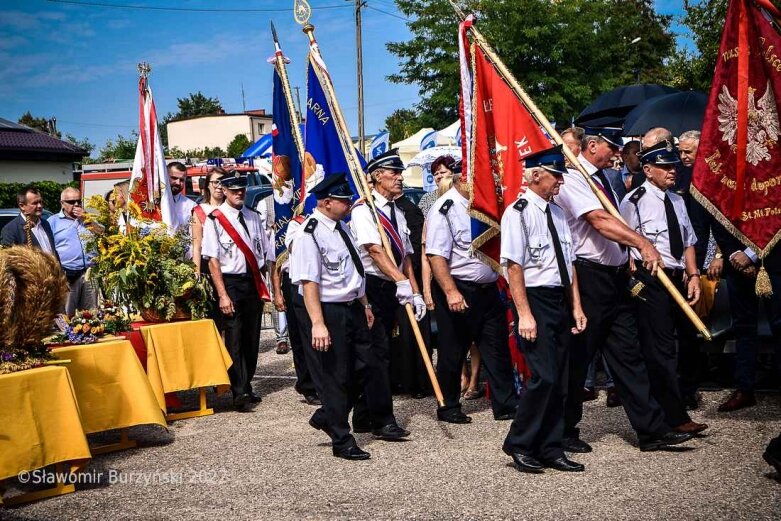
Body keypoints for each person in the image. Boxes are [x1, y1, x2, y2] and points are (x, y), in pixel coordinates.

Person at [555, 127, 694, 452]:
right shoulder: (576, 179)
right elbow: (599, 220)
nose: (618, 152)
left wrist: (627, 256)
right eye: (611, 146)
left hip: (615, 278)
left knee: (629, 355)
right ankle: (562, 429)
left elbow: (614, 223)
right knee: (579, 357)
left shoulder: (608, 179)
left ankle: (652, 430)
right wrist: (641, 243)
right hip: (589, 279)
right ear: (592, 146)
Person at [500, 145, 587, 473]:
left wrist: (576, 305)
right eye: (556, 177)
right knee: (544, 377)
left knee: (560, 380)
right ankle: (519, 442)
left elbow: (570, 264)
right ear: (536, 175)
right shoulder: (519, 213)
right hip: (534, 300)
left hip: (559, 300)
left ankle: (551, 447)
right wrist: (524, 313)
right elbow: (514, 267)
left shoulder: (558, 214)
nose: (560, 183)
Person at [620, 140, 708, 435]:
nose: (672, 171)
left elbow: (688, 241)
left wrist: (694, 275)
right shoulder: (634, 201)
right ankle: (672, 416)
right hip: (652, 281)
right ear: (648, 170)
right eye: (665, 166)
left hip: (679, 277)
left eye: (673, 165)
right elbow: (626, 242)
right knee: (660, 350)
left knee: (687, 343)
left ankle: (682, 398)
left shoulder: (679, 200)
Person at [289, 173, 377, 460]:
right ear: (327, 202)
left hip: (352, 306)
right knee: (335, 376)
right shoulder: (310, 233)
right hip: (328, 310)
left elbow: (354, 269)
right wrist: (318, 323)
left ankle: (328, 414)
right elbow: (309, 281)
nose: (349, 202)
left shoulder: (342, 227)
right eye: (343, 199)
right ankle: (341, 438)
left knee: (365, 368)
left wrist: (364, 304)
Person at [425, 160, 518, 424]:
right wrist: (451, 291)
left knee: (496, 347)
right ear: (462, 177)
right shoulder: (445, 208)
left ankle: (506, 404)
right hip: (458, 287)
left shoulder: (484, 204)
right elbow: (436, 255)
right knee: (453, 351)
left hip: (488, 288)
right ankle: (449, 405)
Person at [349, 148, 422, 438]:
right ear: (378, 177)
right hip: (372, 287)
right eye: (394, 173)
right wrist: (400, 281)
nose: (399, 178)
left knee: (382, 354)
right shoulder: (365, 210)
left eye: (400, 173)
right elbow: (375, 251)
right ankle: (383, 420)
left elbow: (406, 256)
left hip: (394, 285)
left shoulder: (398, 212)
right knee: (376, 355)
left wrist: (413, 291)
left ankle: (363, 416)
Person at [202, 171, 274, 411]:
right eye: (234, 190)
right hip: (230, 282)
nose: (239, 193)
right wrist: (222, 294)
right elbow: (213, 261)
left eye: (242, 189)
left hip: (251, 282)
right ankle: (238, 390)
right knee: (234, 336)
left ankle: (247, 383)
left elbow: (262, 254)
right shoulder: (215, 219)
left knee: (252, 337)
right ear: (224, 191)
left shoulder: (253, 217)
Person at [711, 220, 781, 412]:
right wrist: (734, 254)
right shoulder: (729, 188)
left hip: (774, 262)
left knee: (780, 327)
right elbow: (718, 217)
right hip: (737, 265)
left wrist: (751, 255)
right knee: (743, 328)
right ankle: (744, 389)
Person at [48, 187, 104, 316]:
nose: (76, 205)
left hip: (91, 272)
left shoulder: (88, 218)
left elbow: (102, 232)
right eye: (72, 202)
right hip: (68, 275)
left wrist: (86, 219)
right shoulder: (53, 222)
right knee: (67, 314)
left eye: (79, 201)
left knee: (92, 314)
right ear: (62, 203)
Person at [1, 186, 59, 263]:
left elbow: (53, 252)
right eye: (35, 203)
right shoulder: (10, 230)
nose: (40, 206)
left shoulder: (45, 224)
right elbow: (9, 263)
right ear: (22, 206)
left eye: (40, 202)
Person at [191, 168, 226, 277]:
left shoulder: (233, 209)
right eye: (216, 182)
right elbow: (197, 247)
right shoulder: (199, 210)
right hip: (209, 268)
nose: (220, 187)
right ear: (207, 184)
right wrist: (196, 274)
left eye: (223, 182)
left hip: (232, 269)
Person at [168, 161, 197, 235]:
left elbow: (194, 236)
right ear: (165, 176)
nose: (178, 182)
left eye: (181, 180)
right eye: (174, 178)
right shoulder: (153, 202)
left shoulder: (192, 206)